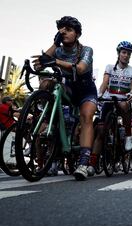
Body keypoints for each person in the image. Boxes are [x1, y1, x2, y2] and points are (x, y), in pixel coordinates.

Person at [32, 16, 97, 180]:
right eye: (61, 30)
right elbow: (39, 64)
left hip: (85, 88)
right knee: (47, 83)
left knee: (87, 116)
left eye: (68, 30)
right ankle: (48, 120)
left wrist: (54, 61)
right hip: (68, 87)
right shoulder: (58, 50)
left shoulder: (86, 50)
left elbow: (81, 68)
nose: (63, 32)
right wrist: (54, 45)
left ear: (77, 34)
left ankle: (83, 162)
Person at [87, 41, 132, 176]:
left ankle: (128, 134)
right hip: (109, 98)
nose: (126, 55)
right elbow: (105, 83)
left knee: (123, 105)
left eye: (128, 53)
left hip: (123, 99)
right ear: (118, 53)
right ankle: (92, 164)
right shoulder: (110, 67)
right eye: (124, 52)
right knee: (100, 131)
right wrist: (99, 94)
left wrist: (131, 94)